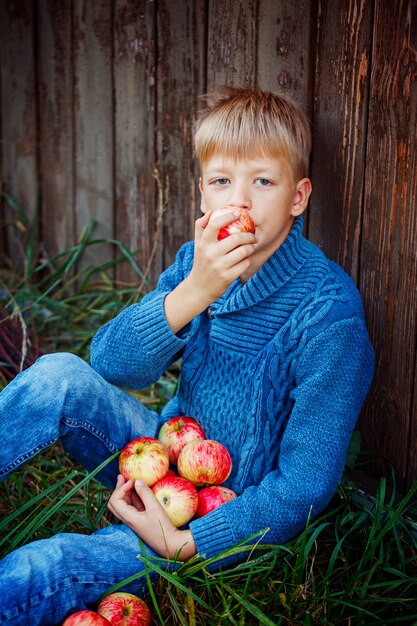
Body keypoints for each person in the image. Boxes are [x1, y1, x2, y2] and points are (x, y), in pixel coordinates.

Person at [0, 86, 374, 625]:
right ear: (202, 194)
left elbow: (305, 486)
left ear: (299, 196)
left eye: (263, 181)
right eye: (222, 181)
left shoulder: (327, 316)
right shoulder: (195, 267)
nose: (239, 202)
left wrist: (186, 542)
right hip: (165, 454)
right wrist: (193, 291)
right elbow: (111, 364)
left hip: (229, 517)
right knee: (59, 375)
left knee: (50, 564)